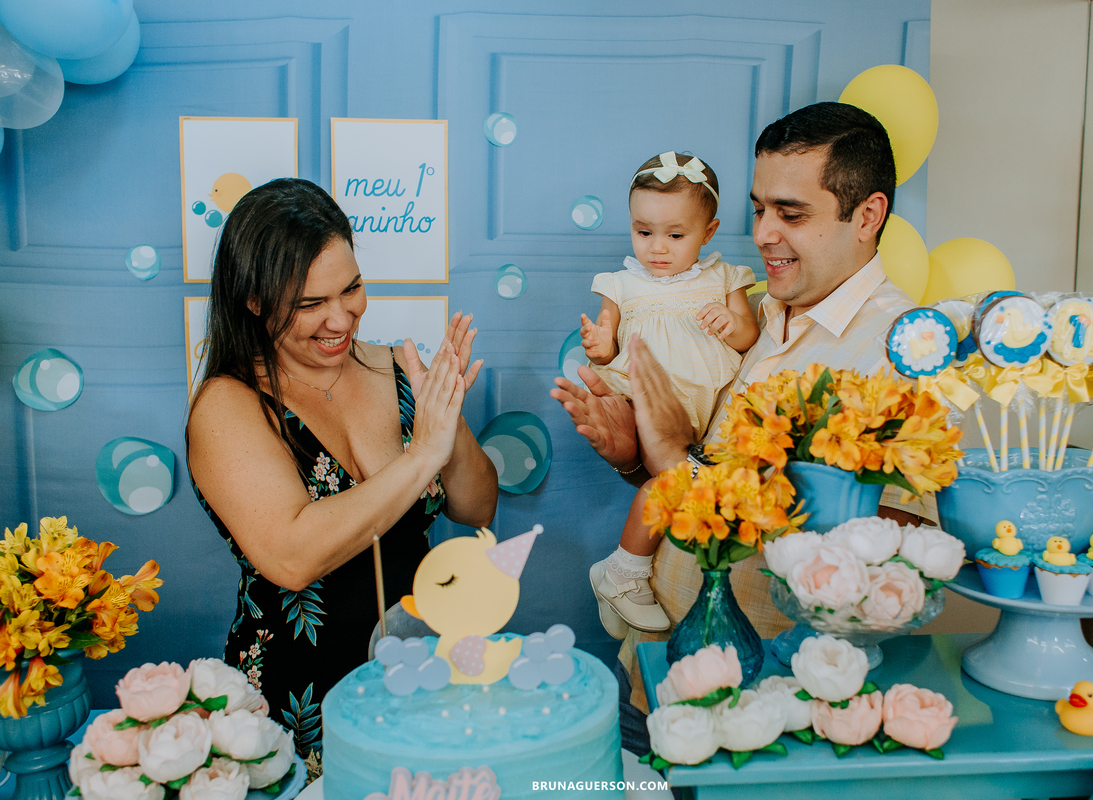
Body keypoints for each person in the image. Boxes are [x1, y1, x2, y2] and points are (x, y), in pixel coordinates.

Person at [551, 102, 927, 728]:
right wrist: (637, 460)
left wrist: (676, 464)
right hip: (655, 665)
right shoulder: (759, 317)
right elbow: (694, 477)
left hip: (757, 710)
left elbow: (892, 563)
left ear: (868, 215)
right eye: (759, 209)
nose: (762, 234)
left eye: (792, 213)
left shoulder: (901, 352)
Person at [186, 178, 498, 769]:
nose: (340, 317)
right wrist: (419, 457)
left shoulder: (395, 368)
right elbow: (292, 556)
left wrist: (448, 424)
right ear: (253, 300)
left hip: (424, 685)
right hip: (296, 709)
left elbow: (476, 509)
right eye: (309, 304)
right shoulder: (228, 405)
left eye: (351, 288)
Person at [583, 151, 758, 638]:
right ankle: (626, 570)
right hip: (651, 402)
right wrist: (599, 347)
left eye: (675, 235)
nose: (657, 247)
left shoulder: (725, 277)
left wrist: (731, 324)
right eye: (644, 232)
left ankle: (622, 573)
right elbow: (608, 345)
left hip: (709, 410)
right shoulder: (621, 284)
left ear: (709, 231)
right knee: (665, 484)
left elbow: (747, 335)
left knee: (676, 485)